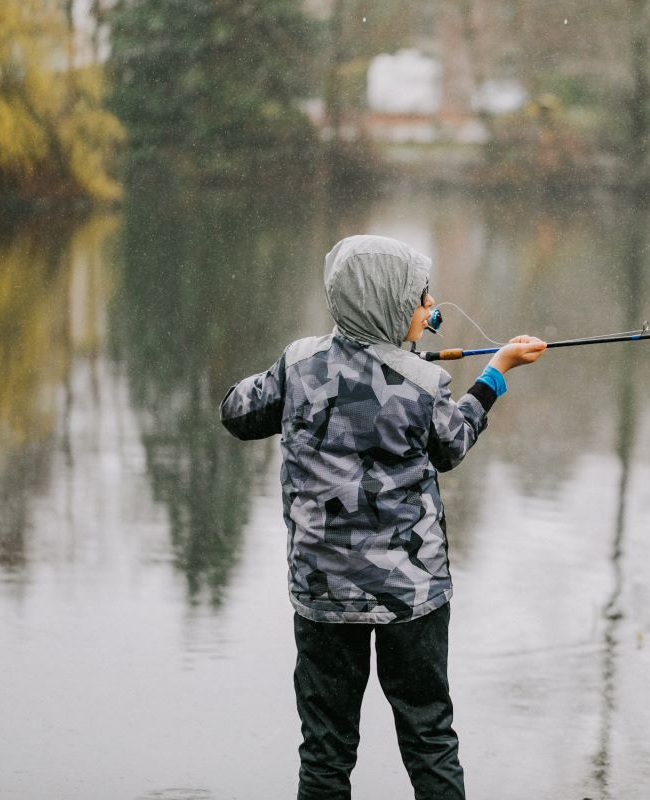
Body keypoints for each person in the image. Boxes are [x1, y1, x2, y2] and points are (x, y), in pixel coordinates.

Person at [219, 235, 546, 800]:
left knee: (325, 752)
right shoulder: (425, 384)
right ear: (394, 307)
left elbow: (237, 413)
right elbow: (453, 443)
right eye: (422, 300)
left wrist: (310, 368)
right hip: (410, 598)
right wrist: (496, 372)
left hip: (322, 595)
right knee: (429, 739)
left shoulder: (299, 365)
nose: (430, 309)